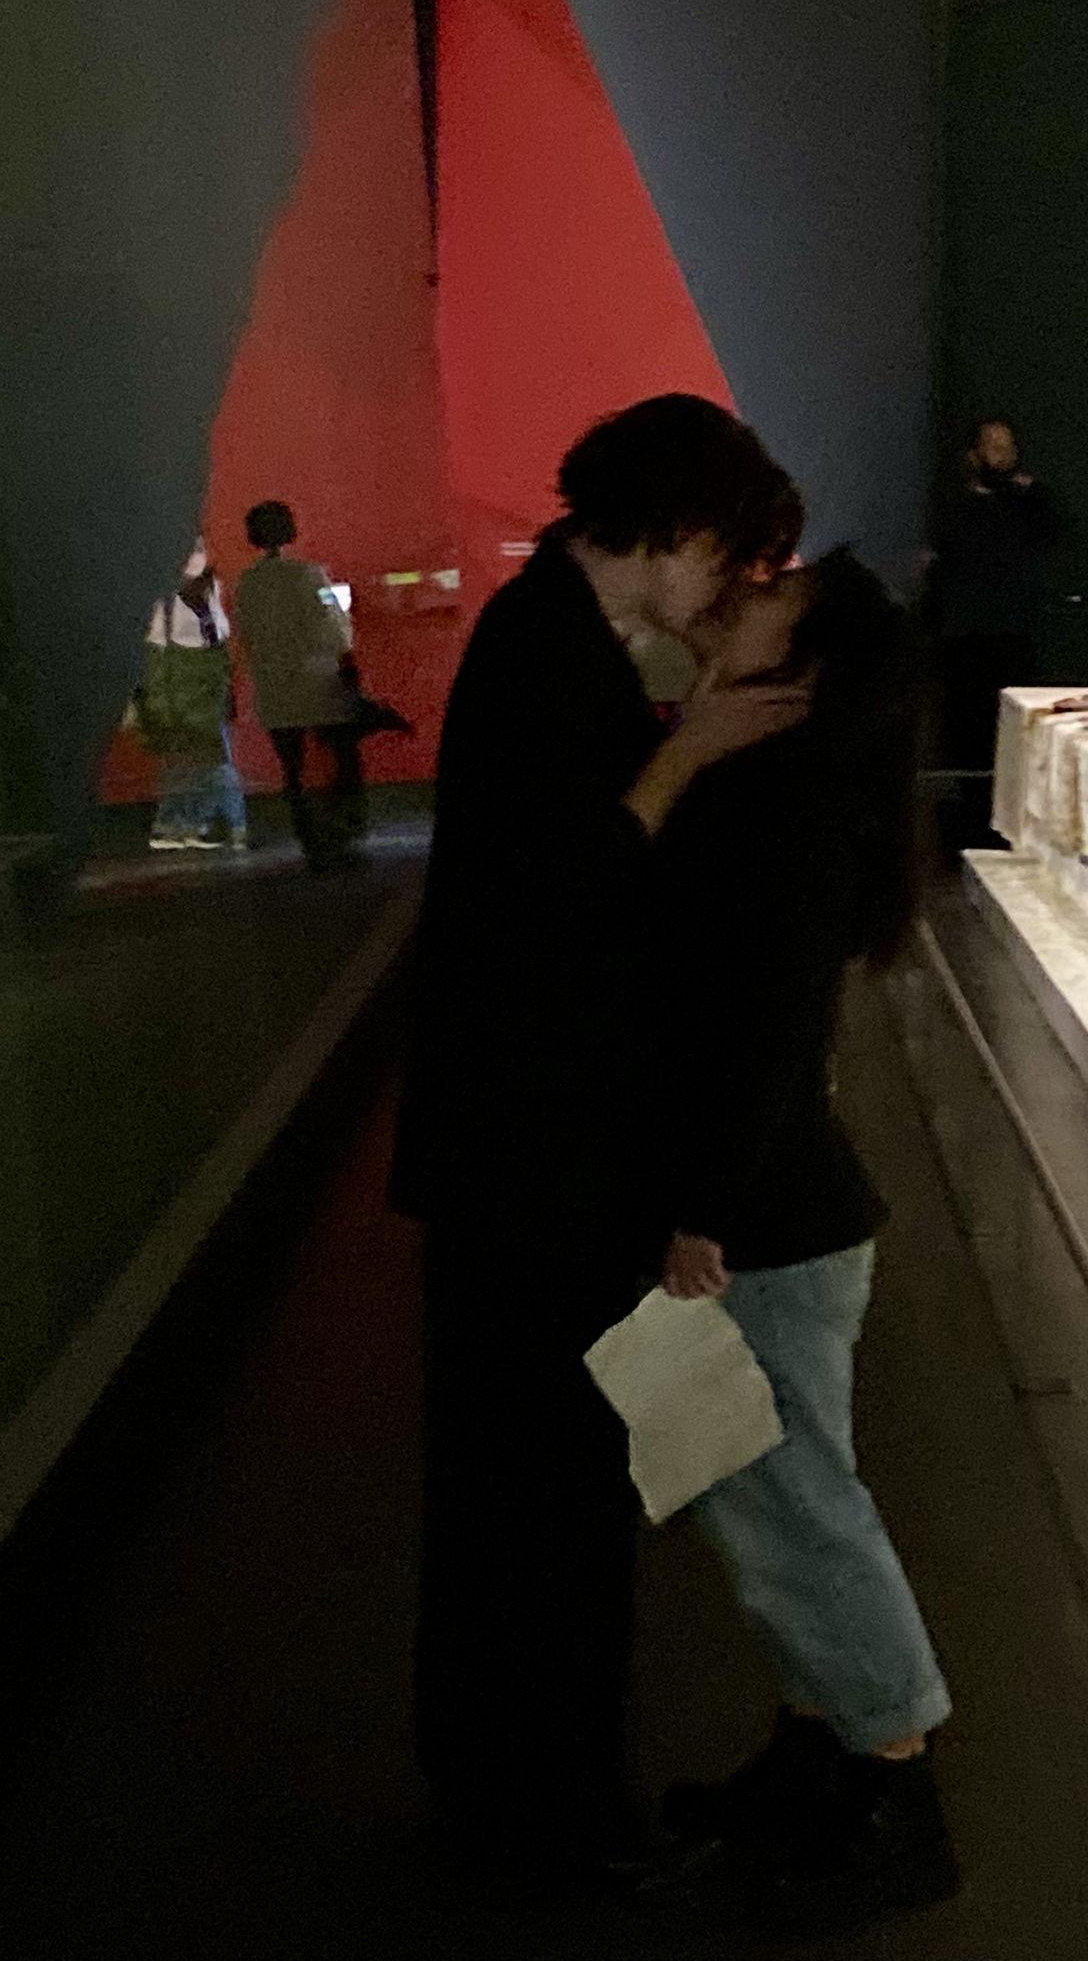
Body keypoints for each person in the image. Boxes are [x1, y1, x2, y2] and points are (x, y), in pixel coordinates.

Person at [391, 394, 810, 1893]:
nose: (722, 590)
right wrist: (681, 753)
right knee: (536, 1503)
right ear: (678, 527)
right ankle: (535, 1821)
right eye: (726, 556)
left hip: (525, 1147)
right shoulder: (538, 648)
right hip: (527, 1158)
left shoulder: (550, 641)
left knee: (536, 1494)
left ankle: (529, 1802)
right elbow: (547, 897)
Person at [651, 548, 957, 1938]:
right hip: (748, 1214)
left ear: (806, 664)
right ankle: (815, 1748)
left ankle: (895, 1783)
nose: (744, 587)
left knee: (796, 1506)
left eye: (775, 589)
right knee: (745, 1501)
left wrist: (695, 1208)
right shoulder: (765, 787)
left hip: (753, 1224)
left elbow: (757, 1042)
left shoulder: (777, 810)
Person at [927, 419, 1056, 841]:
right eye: (992, 445)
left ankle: (1019, 819)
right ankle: (973, 820)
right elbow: (946, 552)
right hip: (967, 637)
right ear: (973, 453)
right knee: (972, 729)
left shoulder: (1029, 498)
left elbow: (1052, 535)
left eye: (1007, 445)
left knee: (1016, 724)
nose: (1001, 453)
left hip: (1014, 633)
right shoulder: (955, 502)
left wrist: (1024, 493)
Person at [232, 500, 364, 871]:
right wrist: (346, 659)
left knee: (293, 768)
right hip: (318, 686)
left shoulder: (247, 585)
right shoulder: (311, 576)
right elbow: (333, 626)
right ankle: (338, 836)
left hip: (274, 691)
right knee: (335, 761)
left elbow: (246, 634)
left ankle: (309, 839)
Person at [136, 540, 248, 852]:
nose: (198, 556)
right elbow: (215, 638)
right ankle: (229, 826)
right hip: (196, 698)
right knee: (214, 763)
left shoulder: (194, 591)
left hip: (184, 699)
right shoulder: (184, 596)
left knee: (184, 764)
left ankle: (176, 826)